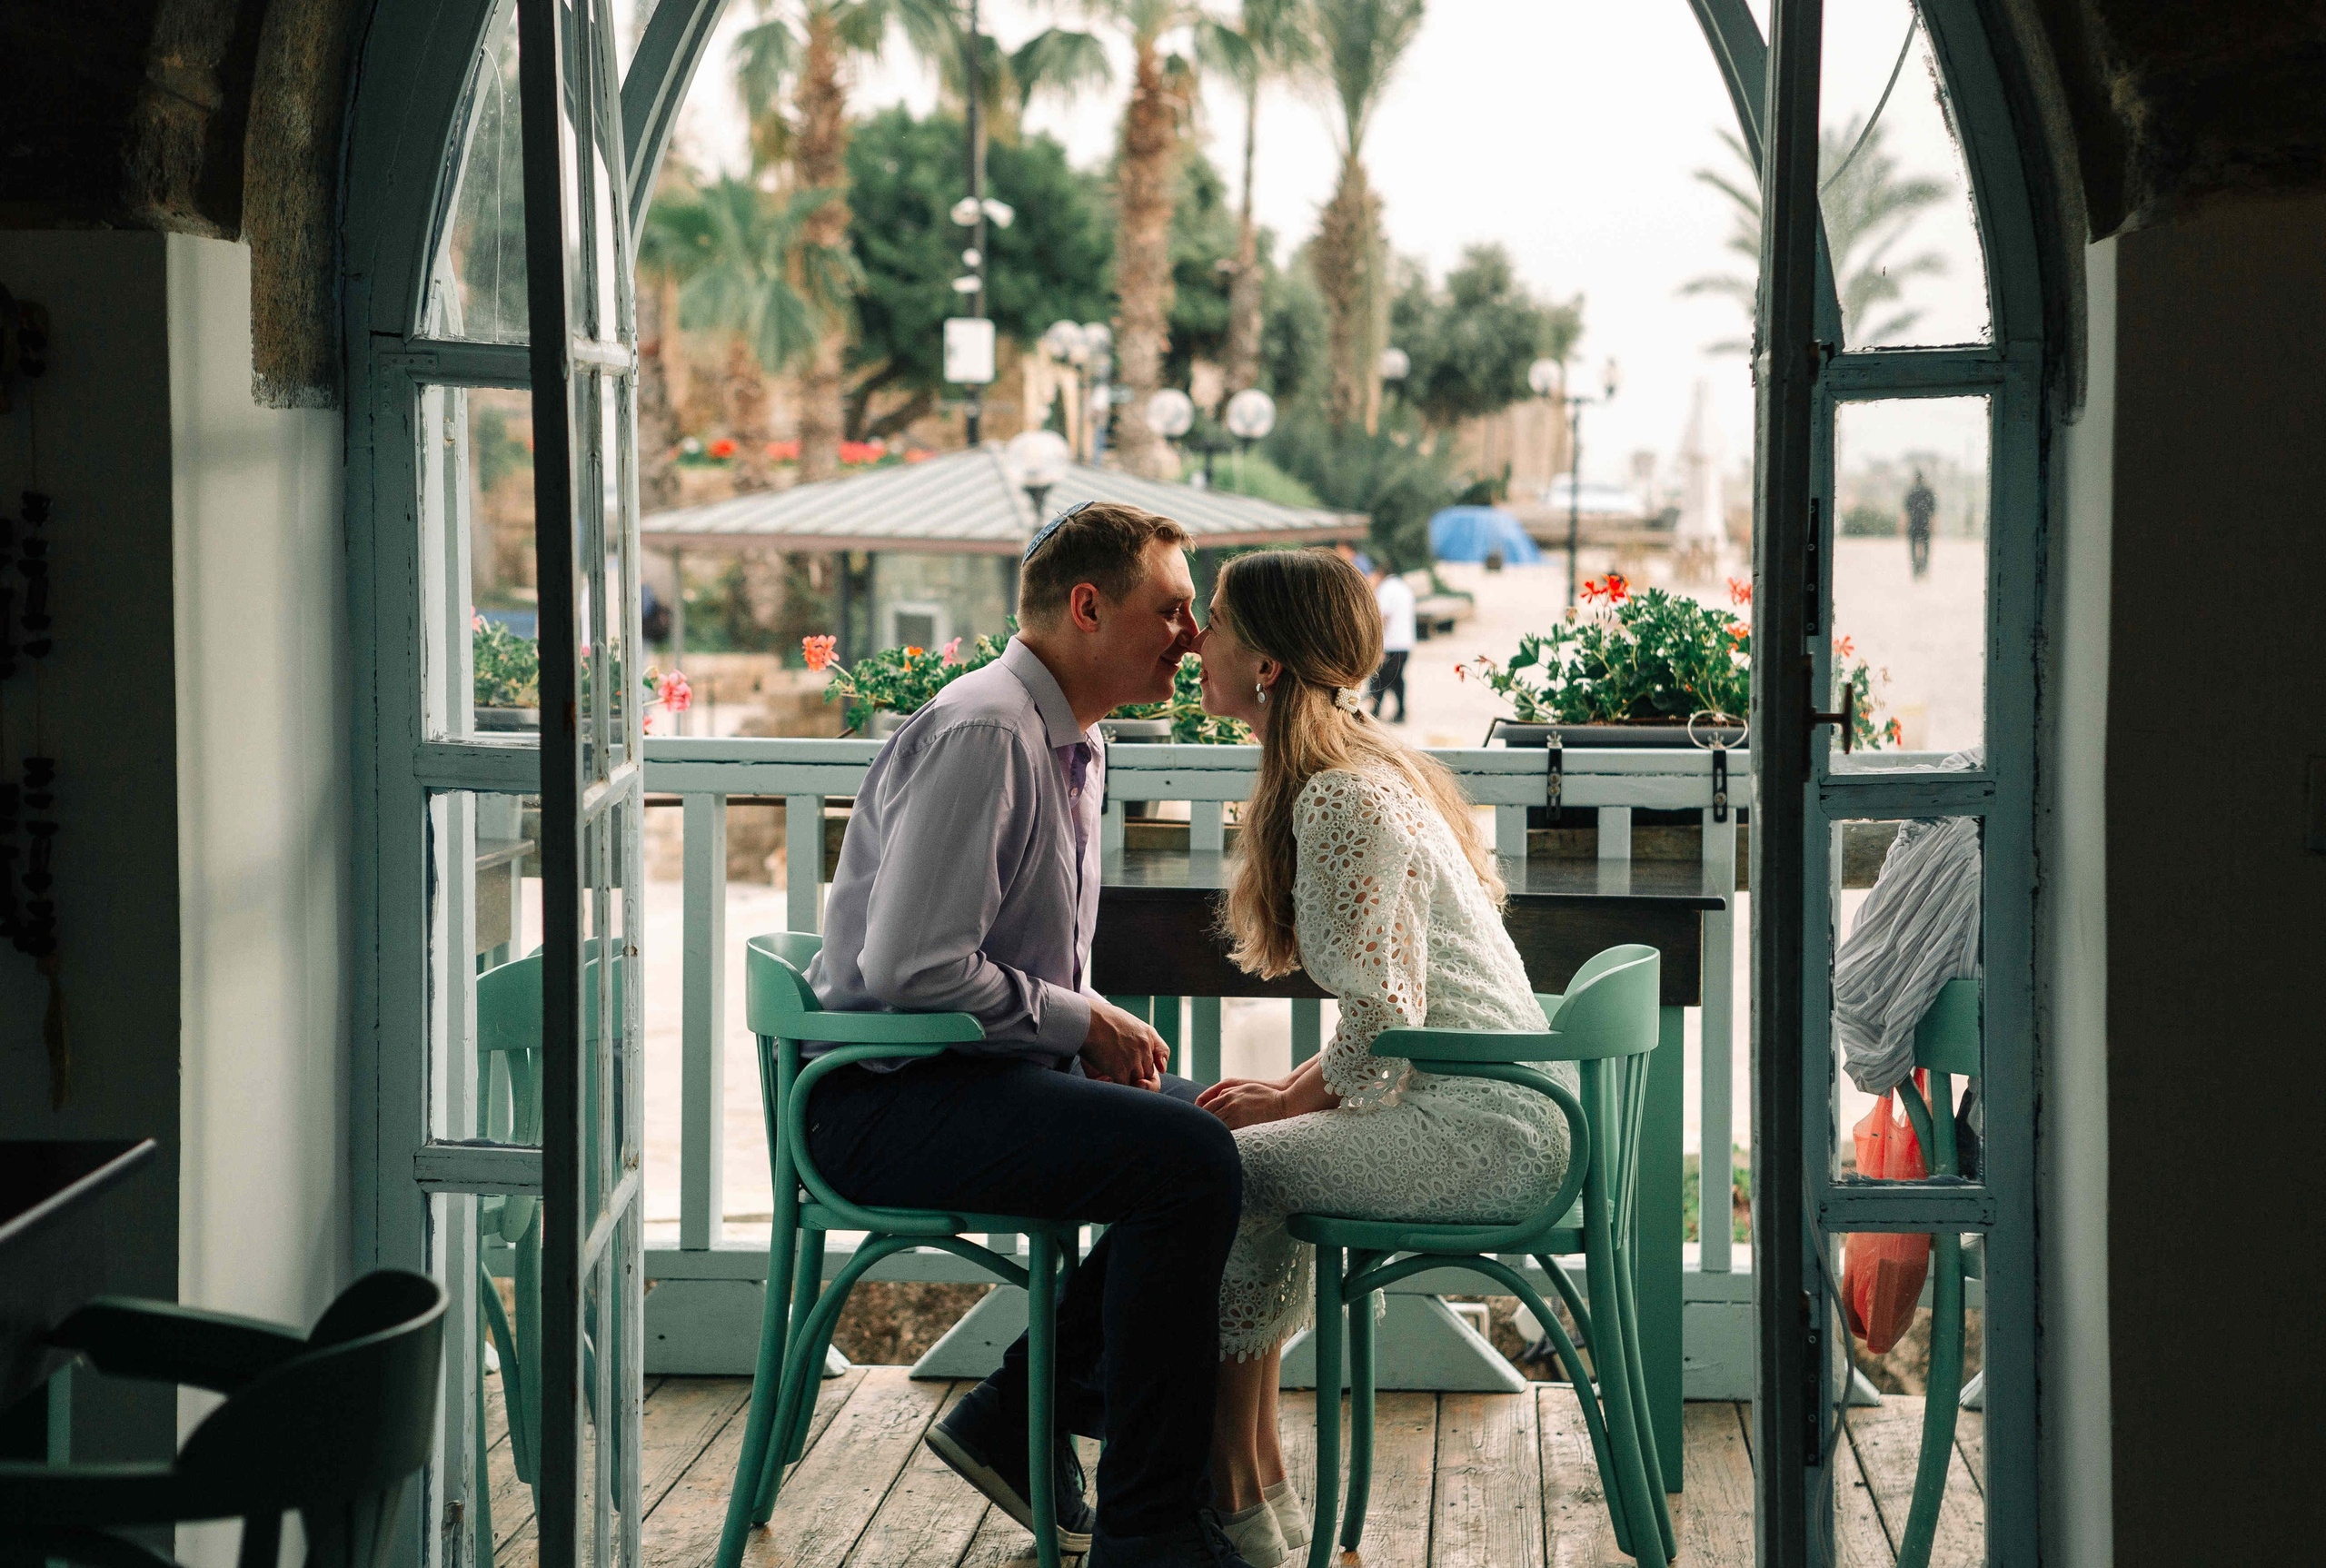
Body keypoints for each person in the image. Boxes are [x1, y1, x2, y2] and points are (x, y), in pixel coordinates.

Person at [803, 501, 1255, 1568]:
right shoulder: (986, 730)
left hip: (961, 1076)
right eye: (1172, 608)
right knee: (1184, 1161)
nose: (1191, 637)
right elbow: (910, 971)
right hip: (881, 1097)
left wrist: (1072, 1024)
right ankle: (1148, 1528)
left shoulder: (1068, 737)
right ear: (1088, 607)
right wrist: (1078, 1015)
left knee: (1220, 1134)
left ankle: (1019, 1413)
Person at [1184, 550, 1577, 1566]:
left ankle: (1229, 1487)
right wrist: (1291, 1094)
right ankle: (1252, 1480)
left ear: (1266, 665)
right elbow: (1390, 1022)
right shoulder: (1376, 772)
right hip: (1521, 1113)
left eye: (1215, 618)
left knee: (1223, 1165)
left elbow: (1382, 1015)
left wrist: (1283, 1100)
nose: (1195, 635)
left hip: (1487, 1129)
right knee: (1249, 1162)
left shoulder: (1336, 799)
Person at [1367, 564, 1416, 724]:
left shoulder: (1386, 590)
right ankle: (1400, 712)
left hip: (1391, 643)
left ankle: (1375, 713)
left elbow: (1383, 618)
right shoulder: (1402, 586)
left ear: (1379, 573)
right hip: (1405, 642)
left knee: (1381, 678)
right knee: (1396, 679)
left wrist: (1376, 644)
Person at [1904, 469, 1937, 580]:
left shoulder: (1911, 492)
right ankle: (1924, 568)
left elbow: (1906, 511)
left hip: (1913, 524)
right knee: (1926, 548)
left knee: (1913, 548)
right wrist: (1933, 525)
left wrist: (1903, 525)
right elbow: (1933, 511)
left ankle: (1915, 571)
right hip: (1925, 524)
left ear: (1914, 479)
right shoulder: (1928, 492)